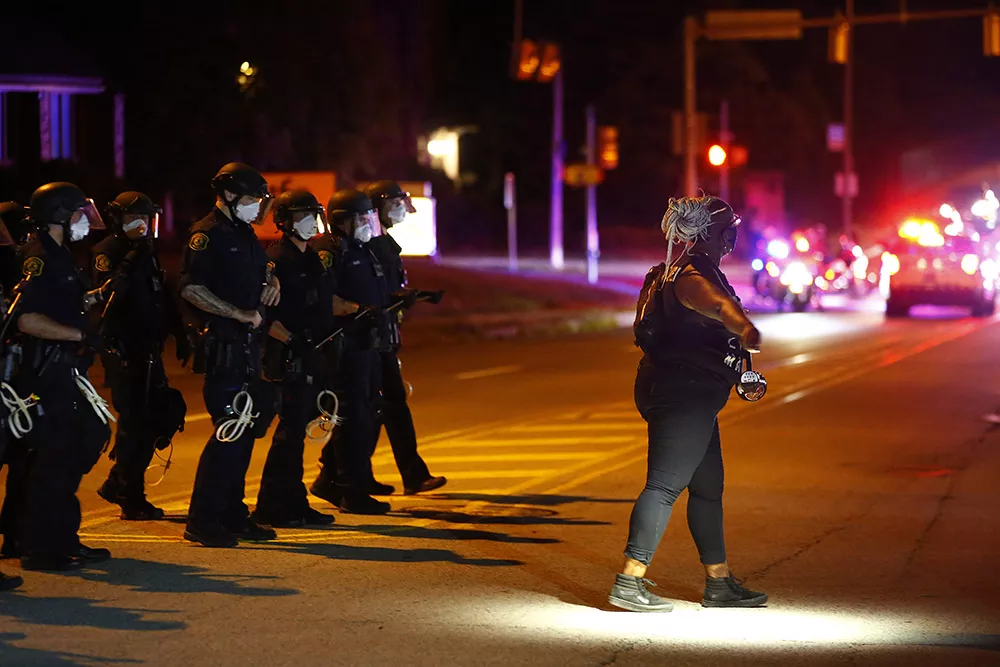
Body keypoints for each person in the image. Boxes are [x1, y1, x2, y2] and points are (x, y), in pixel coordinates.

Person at [608, 195, 768, 612]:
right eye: (729, 227)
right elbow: (714, 304)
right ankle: (629, 580)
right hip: (683, 395)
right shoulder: (692, 275)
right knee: (663, 486)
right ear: (714, 232)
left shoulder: (685, 266)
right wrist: (744, 326)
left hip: (691, 393)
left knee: (707, 487)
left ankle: (719, 583)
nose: (734, 234)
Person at [9, 182, 113, 571]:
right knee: (53, 457)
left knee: (81, 443)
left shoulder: (61, 255)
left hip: (67, 367)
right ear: (58, 215)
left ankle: (63, 536)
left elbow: (60, 304)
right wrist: (79, 334)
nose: (84, 221)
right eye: (77, 214)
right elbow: (27, 318)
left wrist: (93, 299)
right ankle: (39, 547)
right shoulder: (40, 257)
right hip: (46, 370)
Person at [179, 162, 280, 547]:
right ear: (230, 196)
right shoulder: (207, 235)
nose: (258, 207)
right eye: (254, 199)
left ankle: (233, 515)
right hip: (224, 347)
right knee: (228, 434)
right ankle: (203, 520)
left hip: (248, 349)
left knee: (246, 433)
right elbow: (191, 288)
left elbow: (260, 267)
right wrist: (237, 313)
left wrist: (273, 279)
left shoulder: (244, 233)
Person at [93, 191, 188, 520]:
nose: (143, 224)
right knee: (136, 424)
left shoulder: (147, 251)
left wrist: (179, 332)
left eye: (148, 218)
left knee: (161, 416)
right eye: (135, 218)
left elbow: (159, 294)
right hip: (124, 352)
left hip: (149, 350)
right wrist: (132, 261)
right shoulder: (109, 253)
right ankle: (128, 493)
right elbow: (107, 302)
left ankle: (120, 482)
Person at [252, 190, 336, 528]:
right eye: (302, 215)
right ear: (285, 220)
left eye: (312, 214)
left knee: (297, 432)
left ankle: (293, 501)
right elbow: (265, 315)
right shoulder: (276, 259)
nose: (309, 221)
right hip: (286, 357)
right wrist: (292, 341)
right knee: (287, 434)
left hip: (310, 352)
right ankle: (273, 506)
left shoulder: (311, 257)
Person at [308, 189, 392, 515]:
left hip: (367, 344)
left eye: (368, 216)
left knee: (368, 415)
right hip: (345, 347)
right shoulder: (330, 251)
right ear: (340, 220)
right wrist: (355, 308)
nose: (366, 222)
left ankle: (333, 479)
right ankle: (350, 491)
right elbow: (323, 298)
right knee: (352, 418)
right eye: (360, 217)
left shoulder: (363, 249)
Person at [362, 181, 445, 495]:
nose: (401, 209)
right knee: (379, 406)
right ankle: (340, 473)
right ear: (379, 205)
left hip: (383, 335)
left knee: (383, 406)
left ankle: (347, 473)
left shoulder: (384, 241)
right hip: (369, 337)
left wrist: (411, 297)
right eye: (396, 202)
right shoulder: (368, 243)